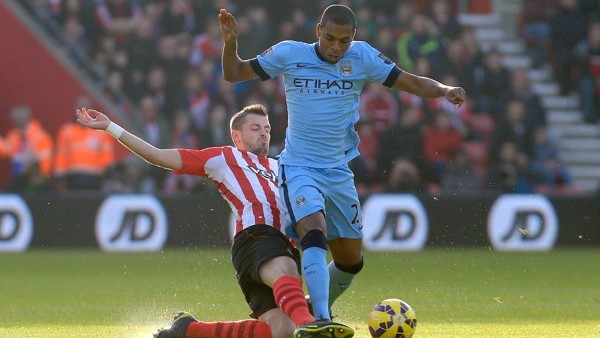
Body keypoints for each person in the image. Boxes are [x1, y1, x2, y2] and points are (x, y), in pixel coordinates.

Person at [218, 4, 466, 330]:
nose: (336, 47)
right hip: (298, 167)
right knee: (313, 230)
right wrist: (231, 42)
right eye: (330, 38)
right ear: (318, 31)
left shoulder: (362, 57)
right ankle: (318, 319)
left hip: (338, 171)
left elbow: (413, 82)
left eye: (344, 41)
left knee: (350, 262)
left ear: (354, 38)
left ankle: (319, 307)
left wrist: (445, 90)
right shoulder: (290, 53)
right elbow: (234, 73)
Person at [75, 105, 353, 338]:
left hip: (284, 243)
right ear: (237, 136)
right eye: (256, 129)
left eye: (267, 129)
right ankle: (311, 325)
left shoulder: (283, 166)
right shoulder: (224, 157)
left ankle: (188, 330)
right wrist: (111, 127)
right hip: (257, 236)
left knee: (280, 330)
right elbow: (158, 155)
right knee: (286, 272)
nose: (264, 135)